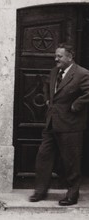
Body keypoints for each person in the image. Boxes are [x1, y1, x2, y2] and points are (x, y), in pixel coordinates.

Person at [29, 43, 89, 206]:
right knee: (43, 156)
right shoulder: (54, 71)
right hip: (51, 123)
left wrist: (77, 104)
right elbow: (48, 85)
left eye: (59, 56)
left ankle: (72, 194)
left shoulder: (82, 74)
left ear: (70, 57)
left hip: (71, 125)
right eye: (55, 56)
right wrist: (49, 99)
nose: (56, 59)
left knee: (71, 161)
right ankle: (40, 192)